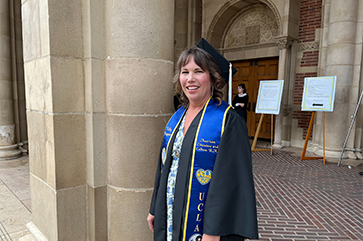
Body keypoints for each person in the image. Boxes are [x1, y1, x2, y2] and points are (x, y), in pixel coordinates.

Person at [147, 43, 258, 241]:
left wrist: (213, 231)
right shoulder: (178, 117)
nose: (190, 79)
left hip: (206, 225)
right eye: (185, 72)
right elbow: (164, 167)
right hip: (171, 213)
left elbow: (231, 181)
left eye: (198, 71)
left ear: (213, 78)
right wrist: (155, 207)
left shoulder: (227, 120)